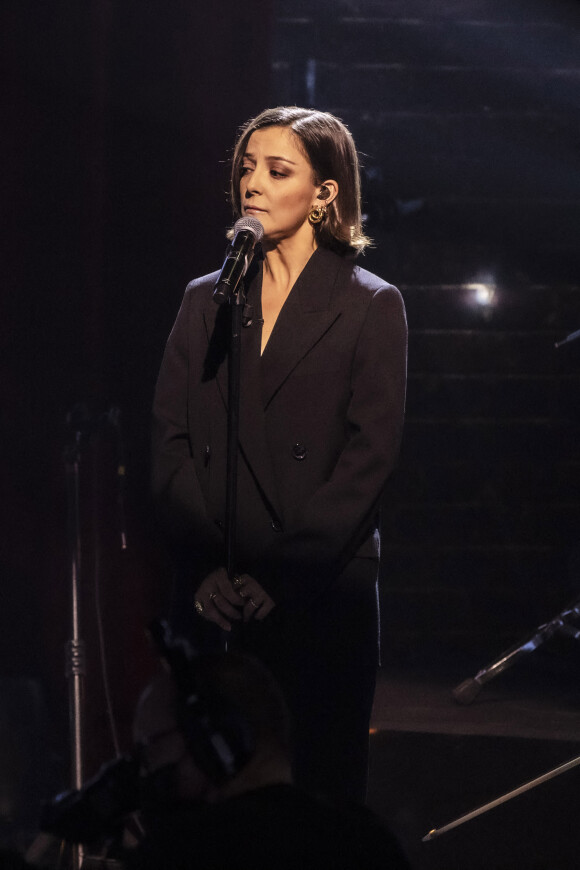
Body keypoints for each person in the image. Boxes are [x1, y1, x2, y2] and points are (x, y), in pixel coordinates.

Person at [152, 106, 407, 803]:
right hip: (215, 592)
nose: (252, 184)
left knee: (315, 789)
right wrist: (206, 565)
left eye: (277, 169)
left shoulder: (369, 304)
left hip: (317, 593)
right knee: (209, 788)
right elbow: (170, 439)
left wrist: (283, 575)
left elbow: (369, 458)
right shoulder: (207, 299)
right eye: (245, 168)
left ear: (325, 192)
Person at [127, 651, 410, 870]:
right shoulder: (370, 843)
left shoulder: (178, 854)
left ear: (214, 739)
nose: (147, 767)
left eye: (152, 746)